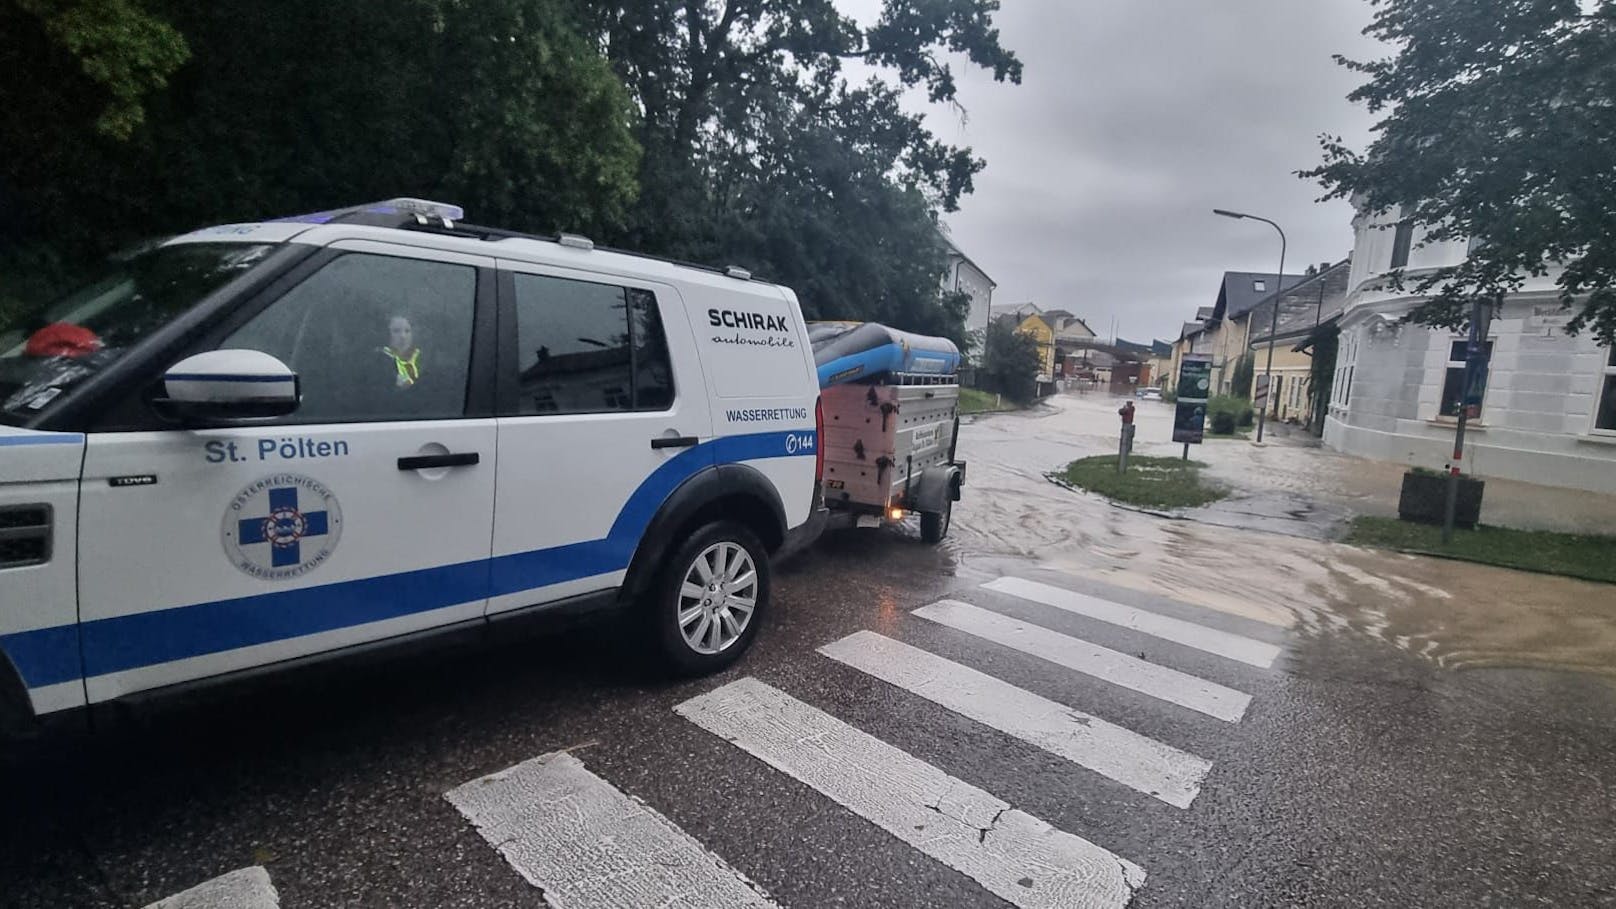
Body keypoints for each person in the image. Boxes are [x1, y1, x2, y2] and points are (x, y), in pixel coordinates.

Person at [381, 315, 421, 388]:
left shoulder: (423, 359)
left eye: (407, 331)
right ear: (387, 333)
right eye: (396, 331)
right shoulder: (380, 361)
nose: (403, 336)